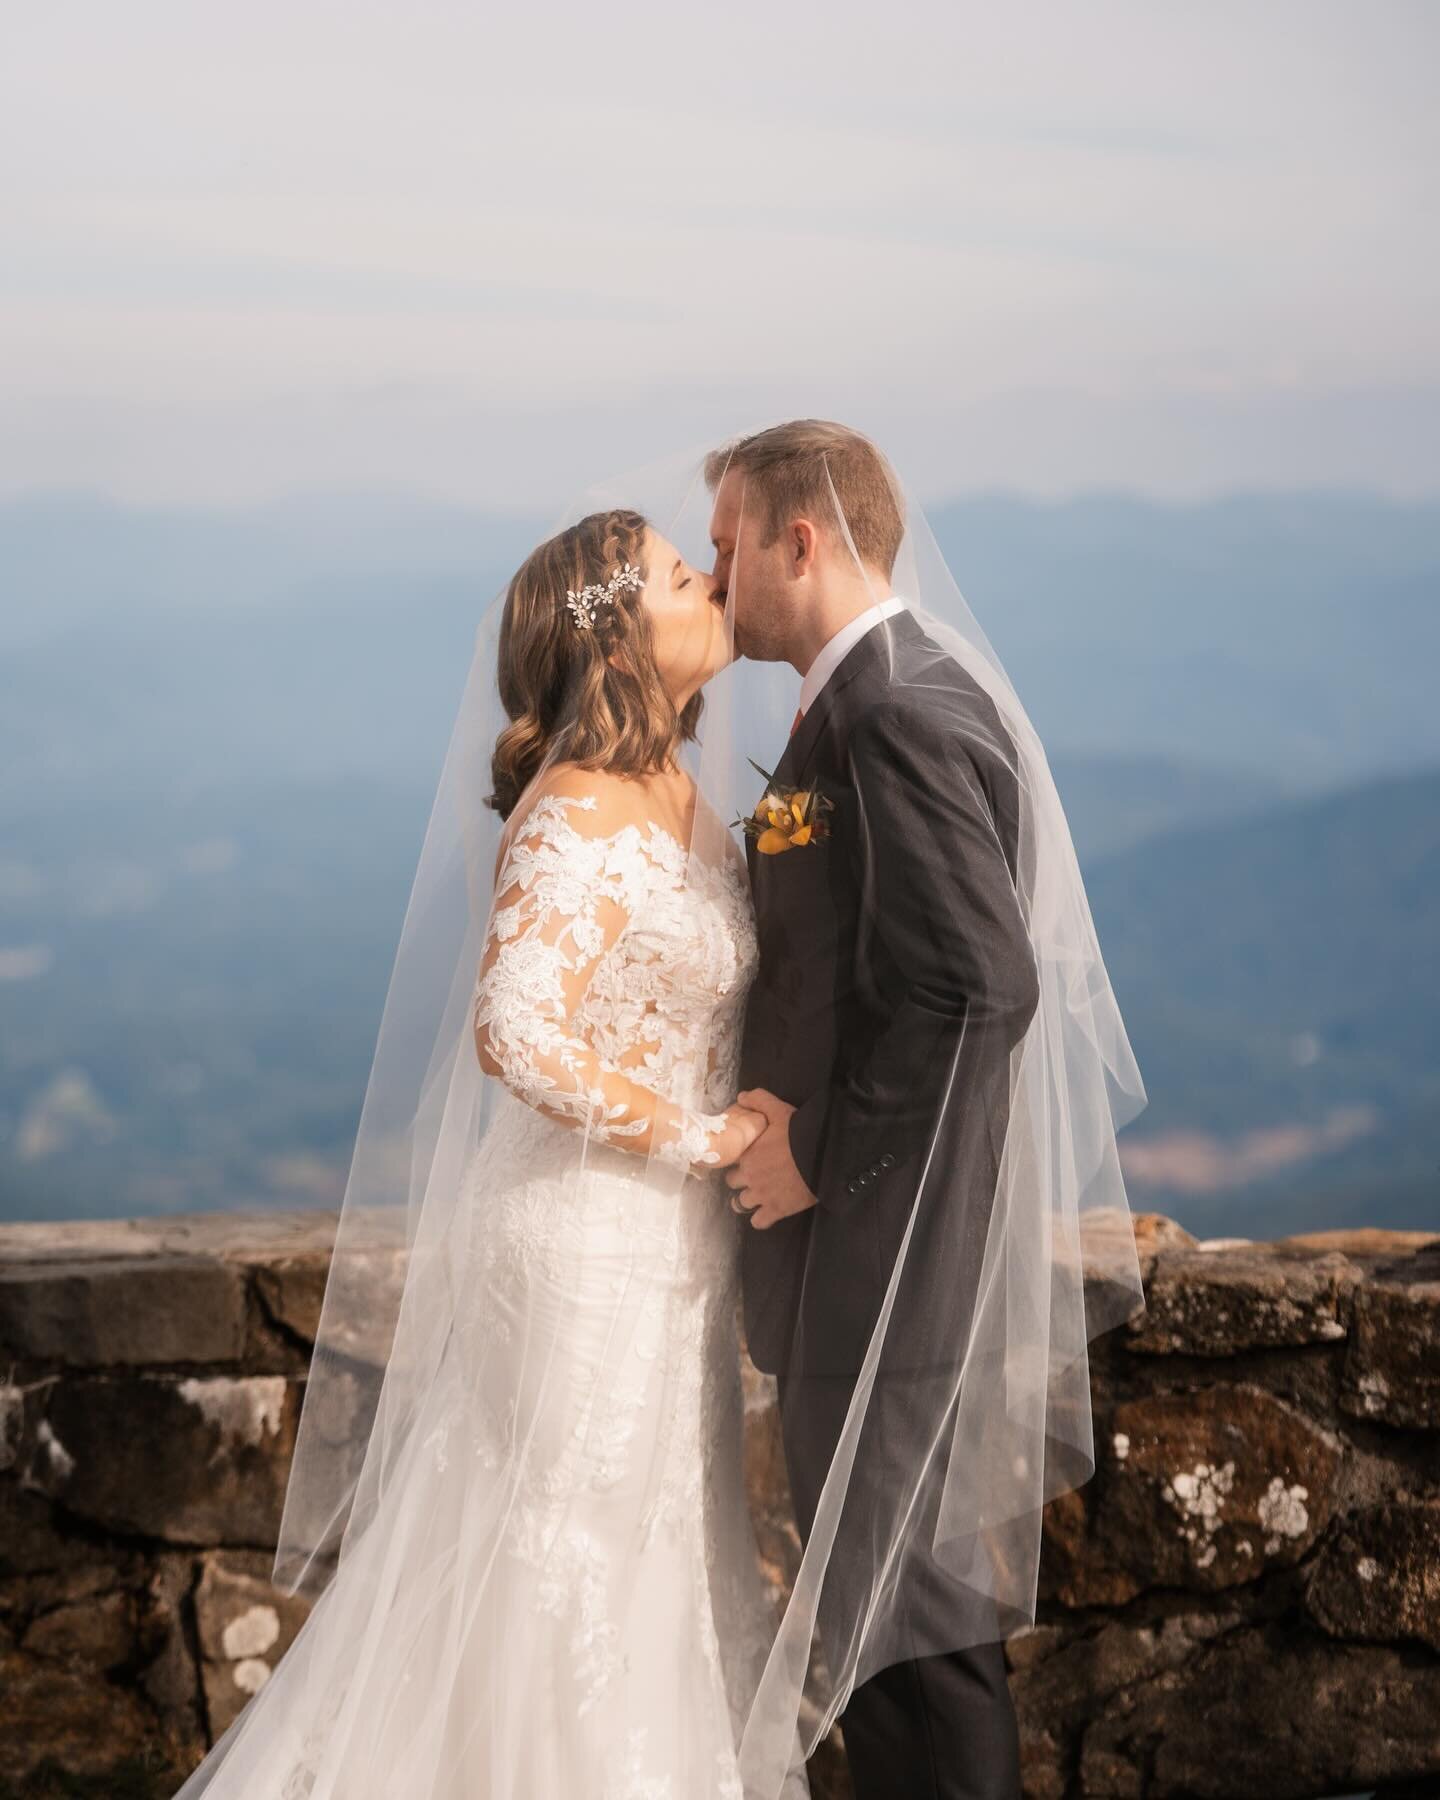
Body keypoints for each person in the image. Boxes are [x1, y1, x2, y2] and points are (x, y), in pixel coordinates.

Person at [171, 506, 811, 1798]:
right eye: (685, 578)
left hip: (671, 1247)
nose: (713, 585)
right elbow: (512, 1032)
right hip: (580, 1236)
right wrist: (703, 1136)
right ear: (624, 641)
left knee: (658, 1551)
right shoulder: (577, 805)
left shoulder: (684, 793)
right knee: (562, 1554)